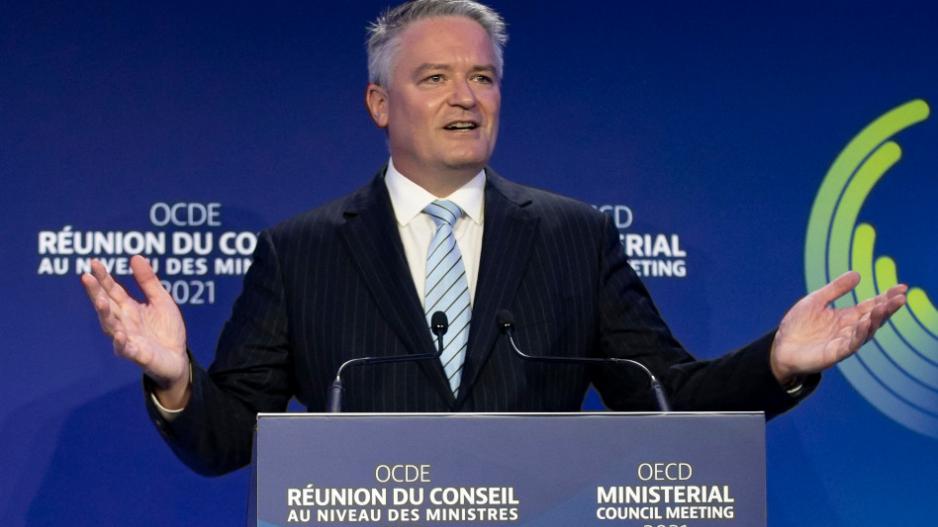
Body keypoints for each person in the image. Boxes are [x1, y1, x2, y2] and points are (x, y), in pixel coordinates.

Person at [80, 0, 907, 476]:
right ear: (379, 104)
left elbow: (666, 400)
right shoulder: (301, 253)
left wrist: (777, 362)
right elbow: (230, 438)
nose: (465, 97)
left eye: (482, 77)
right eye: (435, 77)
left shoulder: (575, 237)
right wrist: (176, 377)